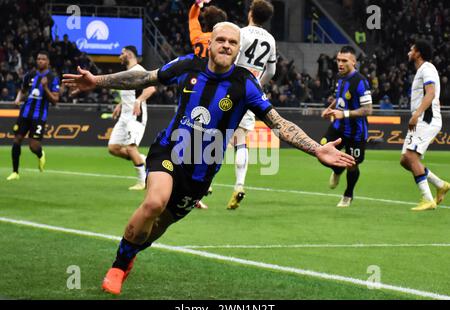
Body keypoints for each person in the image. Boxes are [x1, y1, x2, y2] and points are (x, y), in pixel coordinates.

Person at [63, 22, 355, 295]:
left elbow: (279, 124)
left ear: (238, 49)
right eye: (221, 40)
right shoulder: (189, 64)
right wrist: (97, 80)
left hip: (201, 172)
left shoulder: (246, 85)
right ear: (211, 43)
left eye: (232, 42)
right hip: (169, 151)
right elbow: (144, 76)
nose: (226, 45)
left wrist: (317, 148)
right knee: (154, 202)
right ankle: (118, 266)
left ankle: (131, 254)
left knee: (158, 225)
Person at [227, 0, 277, 210]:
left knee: (212, 135)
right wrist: (256, 86)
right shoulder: (271, 40)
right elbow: (272, 72)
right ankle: (239, 185)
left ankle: (205, 184)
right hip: (251, 91)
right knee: (240, 140)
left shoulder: (241, 33)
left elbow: (231, 59)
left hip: (230, 88)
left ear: (250, 13)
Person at [400, 40, 449, 211]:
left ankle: (428, 199)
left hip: (426, 119)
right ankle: (440, 184)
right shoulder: (423, 70)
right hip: (422, 119)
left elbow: (431, 93)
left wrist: (417, 114)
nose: (408, 52)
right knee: (405, 160)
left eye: (411, 49)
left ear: (418, 53)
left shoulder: (427, 69)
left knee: (411, 156)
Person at [321, 46, 373, 207]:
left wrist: (344, 114)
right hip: (338, 128)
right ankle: (337, 170)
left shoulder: (361, 82)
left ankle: (348, 195)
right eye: (338, 60)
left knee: (352, 165)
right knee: (321, 151)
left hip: (356, 133)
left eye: (344, 61)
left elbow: (368, 109)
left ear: (353, 61)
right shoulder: (340, 78)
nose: (340, 64)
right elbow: (340, 98)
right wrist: (331, 107)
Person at [188, 0, 227, 208]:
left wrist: (197, 4)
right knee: (212, 141)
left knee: (191, 137)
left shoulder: (198, 37)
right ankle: (200, 187)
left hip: (194, 90)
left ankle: (195, 189)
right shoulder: (224, 44)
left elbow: (192, 18)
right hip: (217, 93)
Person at [108, 46, 156, 190]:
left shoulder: (139, 71)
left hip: (136, 116)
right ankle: (143, 160)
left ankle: (143, 181)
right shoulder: (128, 72)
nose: (120, 56)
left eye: (122, 53)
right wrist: (120, 105)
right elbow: (131, 93)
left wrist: (138, 101)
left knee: (130, 147)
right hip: (124, 117)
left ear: (129, 54)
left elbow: (151, 88)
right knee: (113, 148)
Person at [6, 51, 60, 181]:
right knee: (16, 140)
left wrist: (45, 87)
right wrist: (18, 99)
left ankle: (40, 154)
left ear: (48, 62)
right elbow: (23, 91)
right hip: (24, 114)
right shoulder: (29, 75)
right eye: (38, 59)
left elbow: (55, 100)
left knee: (33, 146)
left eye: (43, 59)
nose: (40, 61)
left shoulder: (53, 78)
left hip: (39, 117)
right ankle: (15, 172)